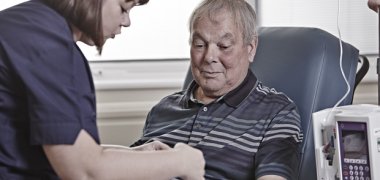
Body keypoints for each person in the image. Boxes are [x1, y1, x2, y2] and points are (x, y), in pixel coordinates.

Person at [0, 0, 205, 179]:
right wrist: (181, 162)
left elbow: (69, 147)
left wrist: (139, 155)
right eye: (124, 8)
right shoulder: (50, 47)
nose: (126, 21)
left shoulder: (28, 21)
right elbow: (84, 171)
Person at [131, 0, 303, 179]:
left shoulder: (278, 113)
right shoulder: (163, 108)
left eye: (224, 46)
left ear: (250, 48)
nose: (209, 57)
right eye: (199, 45)